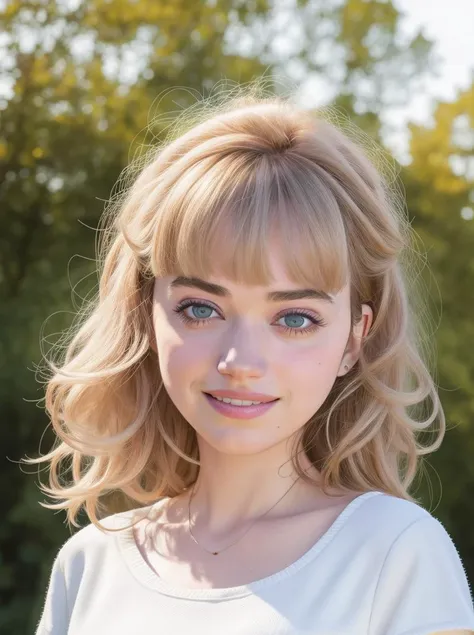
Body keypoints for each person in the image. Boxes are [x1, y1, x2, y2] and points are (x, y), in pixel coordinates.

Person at [29, 82, 474, 635]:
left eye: (294, 318)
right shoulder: (89, 564)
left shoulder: (397, 555)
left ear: (354, 339)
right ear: (147, 313)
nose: (240, 360)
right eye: (200, 309)